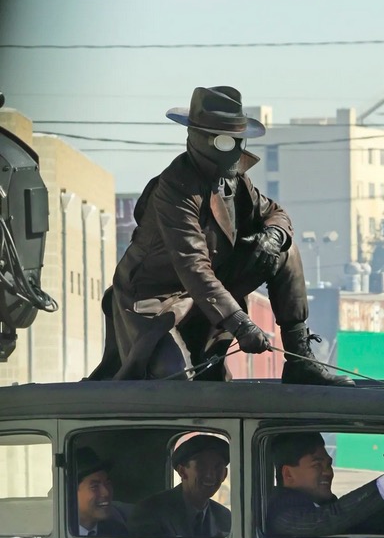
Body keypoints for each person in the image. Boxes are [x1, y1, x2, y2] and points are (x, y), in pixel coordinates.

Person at [89, 85, 354, 387]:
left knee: (284, 251)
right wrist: (241, 324)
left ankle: (299, 359)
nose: (238, 150)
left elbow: (275, 212)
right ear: (200, 139)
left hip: (209, 288)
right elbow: (193, 266)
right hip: (156, 298)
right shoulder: (175, 189)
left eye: (240, 140)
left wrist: (274, 234)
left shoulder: (236, 181)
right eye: (228, 141)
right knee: (170, 376)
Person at [266, 432, 384, 538]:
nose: (328, 472)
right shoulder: (281, 514)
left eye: (328, 465)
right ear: (288, 474)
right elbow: (334, 518)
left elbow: (360, 525)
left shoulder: (322, 505)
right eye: (317, 465)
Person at [129, 434, 231, 538]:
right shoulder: (150, 512)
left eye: (218, 467)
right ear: (182, 471)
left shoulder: (225, 517)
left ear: (225, 475)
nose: (210, 475)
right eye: (202, 466)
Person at [75, 446, 128, 537]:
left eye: (108, 483)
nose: (106, 492)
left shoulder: (117, 533)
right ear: (71, 492)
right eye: (94, 486)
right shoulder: (48, 534)